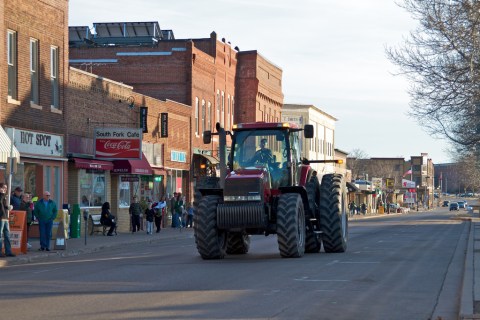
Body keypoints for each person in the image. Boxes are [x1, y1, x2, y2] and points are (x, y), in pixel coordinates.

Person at [0, 183, 15, 257]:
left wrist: (8, 207)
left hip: (5, 217)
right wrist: (2, 194)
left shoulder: (3, 196)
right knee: (0, 235)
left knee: (7, 235)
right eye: (3, 187)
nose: (5, 189)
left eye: (6, 188)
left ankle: (8, 251)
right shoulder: (1, 195)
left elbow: (3, 205)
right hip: (0, 217)